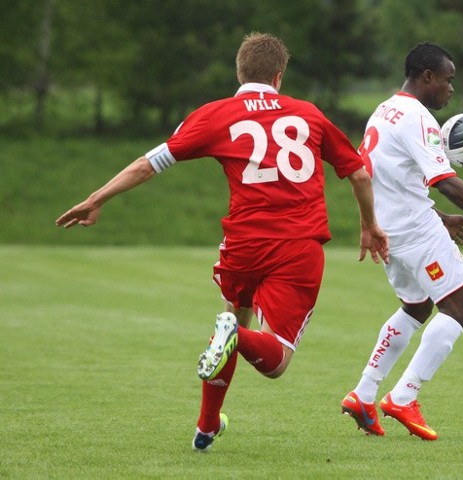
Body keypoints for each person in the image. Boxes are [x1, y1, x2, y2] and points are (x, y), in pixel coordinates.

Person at [56, 32, 389, 452]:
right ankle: (230, 345)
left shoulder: (216, 115)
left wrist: (95, 198)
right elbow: (358, 173)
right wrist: (369, 225)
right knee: (274, 360)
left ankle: (207, 427)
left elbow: (149, 164)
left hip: (242, 244)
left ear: (239, 71)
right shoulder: (308, 114)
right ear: (279, 76)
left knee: (234, 317)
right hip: (297, 246)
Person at [340, 42, 463, 440]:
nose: (451, 89)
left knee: (415, 307)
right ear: (427, 77)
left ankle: (363, 393)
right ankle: (403, 396)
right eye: (448, 80)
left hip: (389, 229)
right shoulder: (418, 117)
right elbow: (444, 181)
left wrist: (438, 217)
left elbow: (385, 176)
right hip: (414, 230)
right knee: (460, 307)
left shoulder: (384, 109)